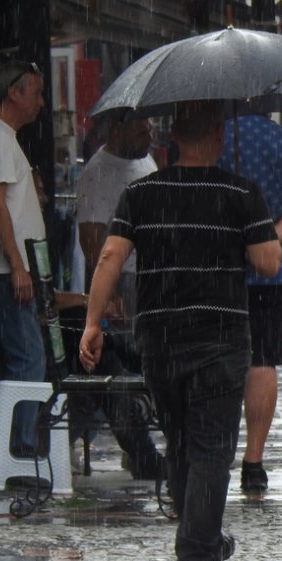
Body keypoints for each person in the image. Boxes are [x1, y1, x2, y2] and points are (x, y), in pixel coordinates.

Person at [79, 100, 282, 561]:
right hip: (219, 338)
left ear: (172, 139)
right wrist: (253, 222)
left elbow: (109, 256)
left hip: (161, 340)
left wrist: (92, 323)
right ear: (216, 135)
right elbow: (269, 263)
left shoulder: (142, 193)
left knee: (183, 444)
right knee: (211, 448)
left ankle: (204, 540)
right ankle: (195, 558)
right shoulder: (239, 193)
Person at [217, 114, 282, 493]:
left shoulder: (211, 137)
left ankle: (217, 449)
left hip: (215, 270)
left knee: (218, 359)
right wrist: (269, 238)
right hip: (269, 273)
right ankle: (254, 461)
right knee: (262, 360)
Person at [74, 112, 163, 479]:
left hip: (147, 276)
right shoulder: (98, 173)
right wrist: (106, 293)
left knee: (148, 364)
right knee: (127, 366)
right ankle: (138, 447)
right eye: (141, 126)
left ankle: (141, 445)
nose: (149, 132)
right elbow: (93, 237)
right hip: (122, 279)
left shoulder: (144, 161)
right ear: (118, 129)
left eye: (150, 126)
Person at [0, 60, 48, 458]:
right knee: (28, 358)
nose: (40, 102)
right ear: (14, 93)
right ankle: (19, 447)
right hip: (5, 270)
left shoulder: (1, 138)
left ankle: (4, 447)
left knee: (12, 359)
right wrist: (17, 265)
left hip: (8, 268)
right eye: (35, 93)